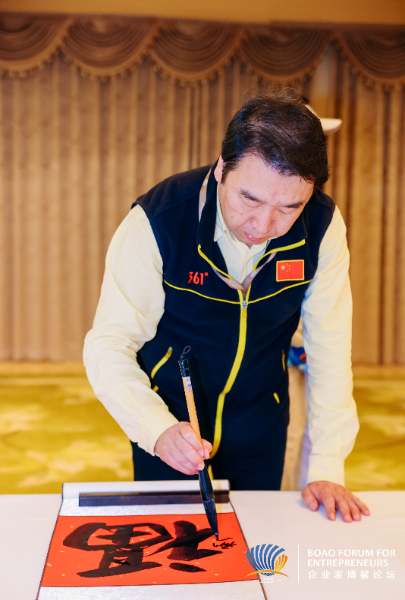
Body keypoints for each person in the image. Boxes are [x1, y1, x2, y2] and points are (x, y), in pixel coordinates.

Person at [84, 89, 370, 523]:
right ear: (222, 169)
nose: (264, 225)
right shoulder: (158, 220)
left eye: (289, 207)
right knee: (175, 548)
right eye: (250, 199)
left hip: (260, 423)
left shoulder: (322, 226)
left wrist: (328, 466)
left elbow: (329, 347)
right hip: (170, 422)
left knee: (254, 545)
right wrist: (155, 428)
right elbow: (109, 343)